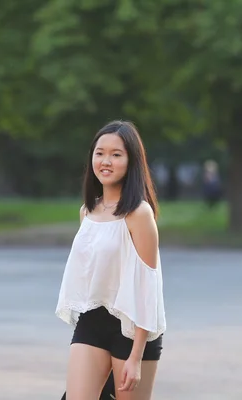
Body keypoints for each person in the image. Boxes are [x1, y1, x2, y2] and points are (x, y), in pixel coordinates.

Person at [56, 120, 166, 400]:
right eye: (100, 152)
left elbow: (146, 288)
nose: (106, 161)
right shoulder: (87, 212)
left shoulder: (139, 214)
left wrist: (136, 356)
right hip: (93, 320)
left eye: (116, 154)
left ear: (131, 161)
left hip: (132, 329)